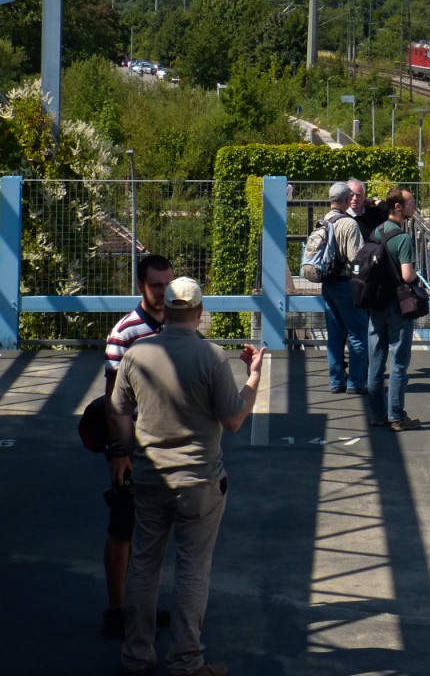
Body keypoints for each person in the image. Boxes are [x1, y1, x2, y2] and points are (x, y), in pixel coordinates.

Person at [110, 276, 266, 676]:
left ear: (166, 309)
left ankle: (137, 654)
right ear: (199, 312)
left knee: (143, 564)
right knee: (193, 568)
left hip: (149, 477)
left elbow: (118, 410)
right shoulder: (211, 356)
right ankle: (186, 661)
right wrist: (253, 377)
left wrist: (130, 452)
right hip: (199, 481)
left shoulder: (137, 353)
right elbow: (234, 419)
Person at [101, 253, 174, 639]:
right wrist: (119, 452)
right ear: (141, 286)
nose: (163, 293)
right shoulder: (124, 333)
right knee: (122, 527)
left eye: (168, 285)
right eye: (155, 286)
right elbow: (114, 401)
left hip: (167, 446)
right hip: (134, 447)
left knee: (154, 532)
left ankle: (141, 604)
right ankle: (117, 609)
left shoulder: (178, 326)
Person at [367, 186, 422, 432]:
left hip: (375, 303)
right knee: (399, 362)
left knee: (376, 362)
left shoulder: (376, 232)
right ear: (398, 207)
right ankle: (397, 417)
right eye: (411, 202)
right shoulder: (403, 238)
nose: (414, 206)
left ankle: (377, 414)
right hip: (397, 306)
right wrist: (417, 276)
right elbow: (407, 275)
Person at [320, 182, 369, 394]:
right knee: (358, 335)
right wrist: (360, 279)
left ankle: (336, 380)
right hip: (346, 285)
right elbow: (356, 259)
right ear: (348, 199)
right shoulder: (349, 224)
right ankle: (356, 382)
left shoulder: (324, 221)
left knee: (334, 336)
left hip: (327, 284)